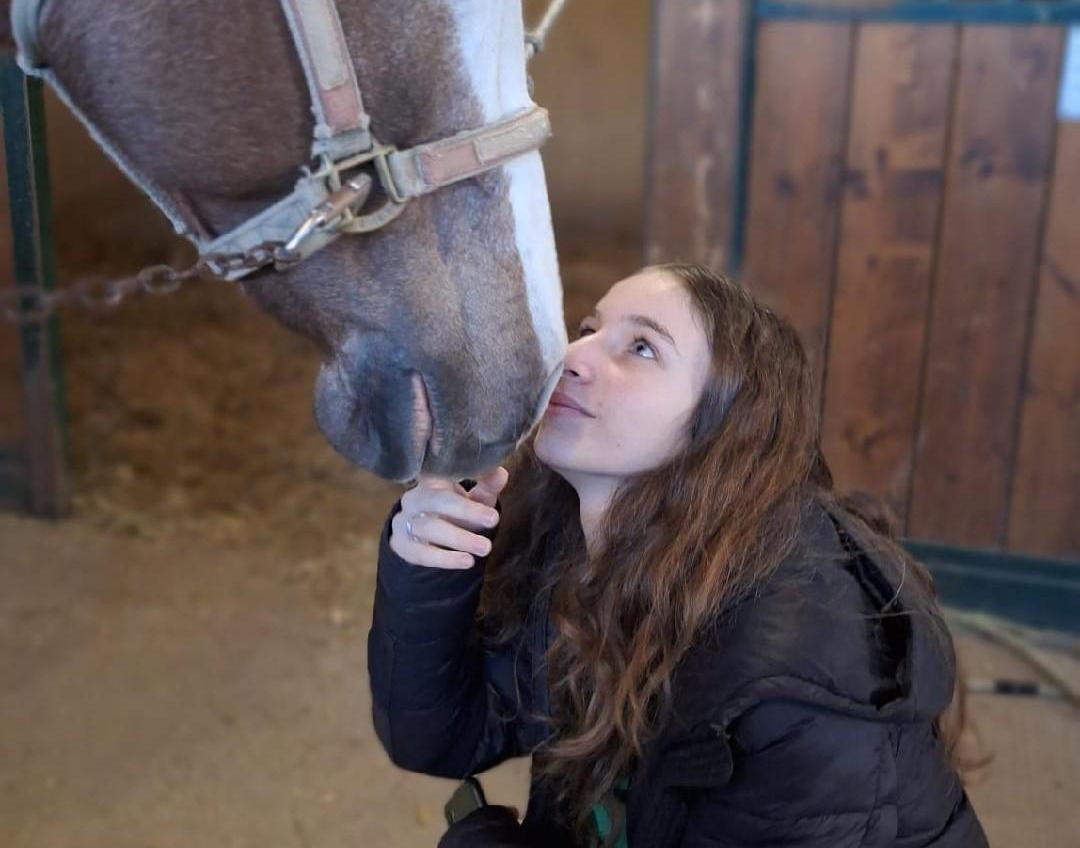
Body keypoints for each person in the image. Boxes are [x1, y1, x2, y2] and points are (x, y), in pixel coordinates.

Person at [367, 264, 988, 848]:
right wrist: (428, 574)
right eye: (588, 330)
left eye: (642, 348)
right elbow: (439, 738)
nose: (574, 357)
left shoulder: (794, 675)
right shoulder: (572, 538)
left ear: (723, 425)